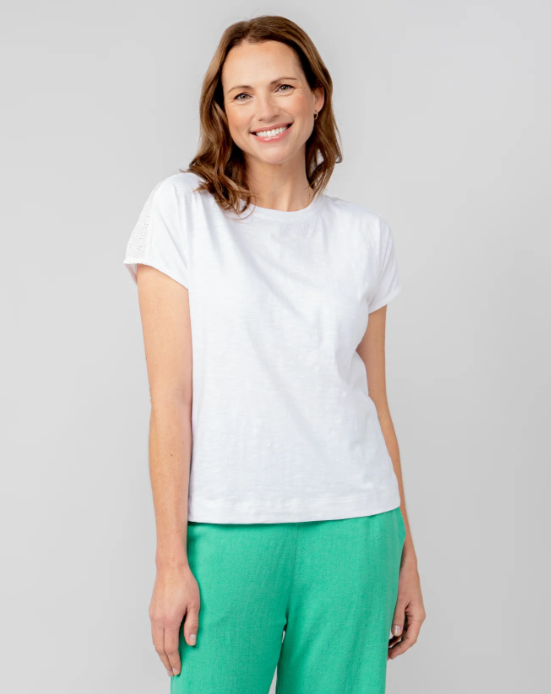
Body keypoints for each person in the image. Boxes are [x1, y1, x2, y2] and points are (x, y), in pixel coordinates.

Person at [123, 14, 425, 694]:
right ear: (222, 112)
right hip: (226, 529)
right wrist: (171, 561)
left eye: (282, 87)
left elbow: (374, 404)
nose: (264, 109)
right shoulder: (180, 211)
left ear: (317, 95)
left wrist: (407, 557)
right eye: (242, 94)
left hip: (356, 531)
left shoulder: (365, 236)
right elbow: (170, 399)